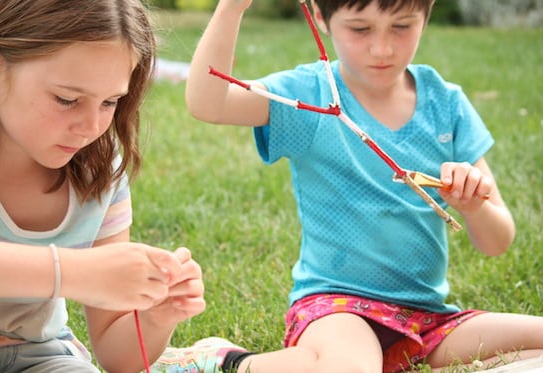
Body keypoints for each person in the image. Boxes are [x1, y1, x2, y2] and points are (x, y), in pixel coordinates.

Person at [154, 0, 543, 372]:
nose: (382, 47)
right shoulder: (308, 94)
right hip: (336, 308)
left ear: (427, 13)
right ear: (321, 17)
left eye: (402, 26)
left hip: (427, 321)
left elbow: (498, 241)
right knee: (351, 367)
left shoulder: (446, 103)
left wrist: (474, 206)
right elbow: (209, 103)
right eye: (360, 29)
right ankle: (229, 360)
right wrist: (231, 7)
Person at [0, 1, 205, 372]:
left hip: (36, 354)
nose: (90, 127)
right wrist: (82, 272)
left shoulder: (97, 169)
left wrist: (154, 316)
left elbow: (117, 357)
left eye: (110, 102)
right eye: (67, 99)